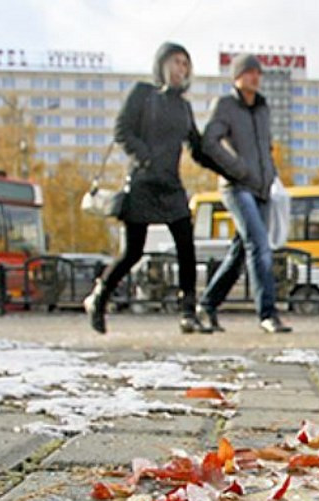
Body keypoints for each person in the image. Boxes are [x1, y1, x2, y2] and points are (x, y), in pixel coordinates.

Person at [84, 41, 208, 334]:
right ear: (163, 64)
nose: (181, 69)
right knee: (133, 252)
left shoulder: (184, 107)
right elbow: (122, 131)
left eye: (185, 64)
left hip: (171, 186)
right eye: (176, 62)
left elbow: (199, 149)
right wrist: (147, 158)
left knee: (185, 246)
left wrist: (232, 166)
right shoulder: (143, 94)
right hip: (143, 183)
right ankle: (99, 297)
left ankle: (188, 312)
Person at [195, 53, 291, 334]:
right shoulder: (225, 106)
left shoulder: (263, 109)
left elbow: (266, 146)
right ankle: (268, 313)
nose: (254, 77)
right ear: (236, 77)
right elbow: (208, 142)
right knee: (260, 245)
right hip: (236, 187)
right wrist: (235, 168)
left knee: (239, 254)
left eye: (257, 72)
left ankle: (208, 304)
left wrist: (271, 174)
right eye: (248, 72)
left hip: (261, 189)